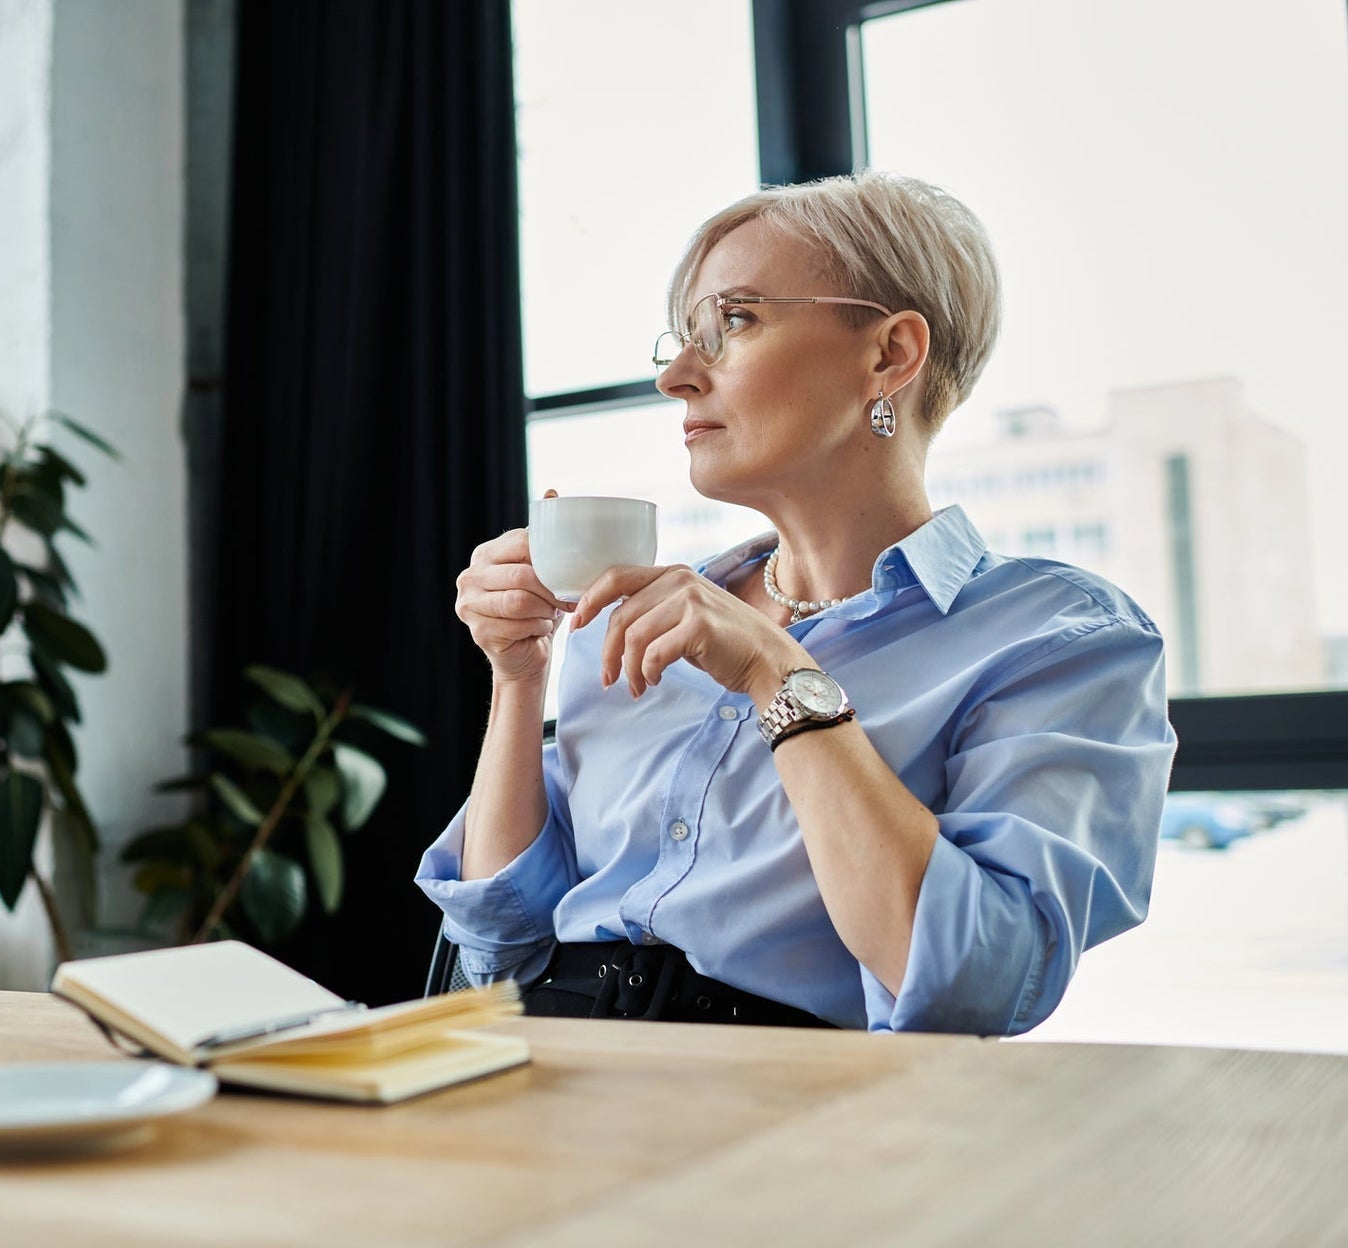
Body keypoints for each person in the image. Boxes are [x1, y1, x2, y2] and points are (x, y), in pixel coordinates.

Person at [415, 171, 1176, 1035]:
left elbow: (977, 983)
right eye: (683, 340)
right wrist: (519, 681)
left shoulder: (1059, 636)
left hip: (799, 1122)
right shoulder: (638, 620)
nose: (680, 380)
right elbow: (500, 945)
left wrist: (777, 674)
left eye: (733, 322)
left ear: (890, 354)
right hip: (547, 1080)